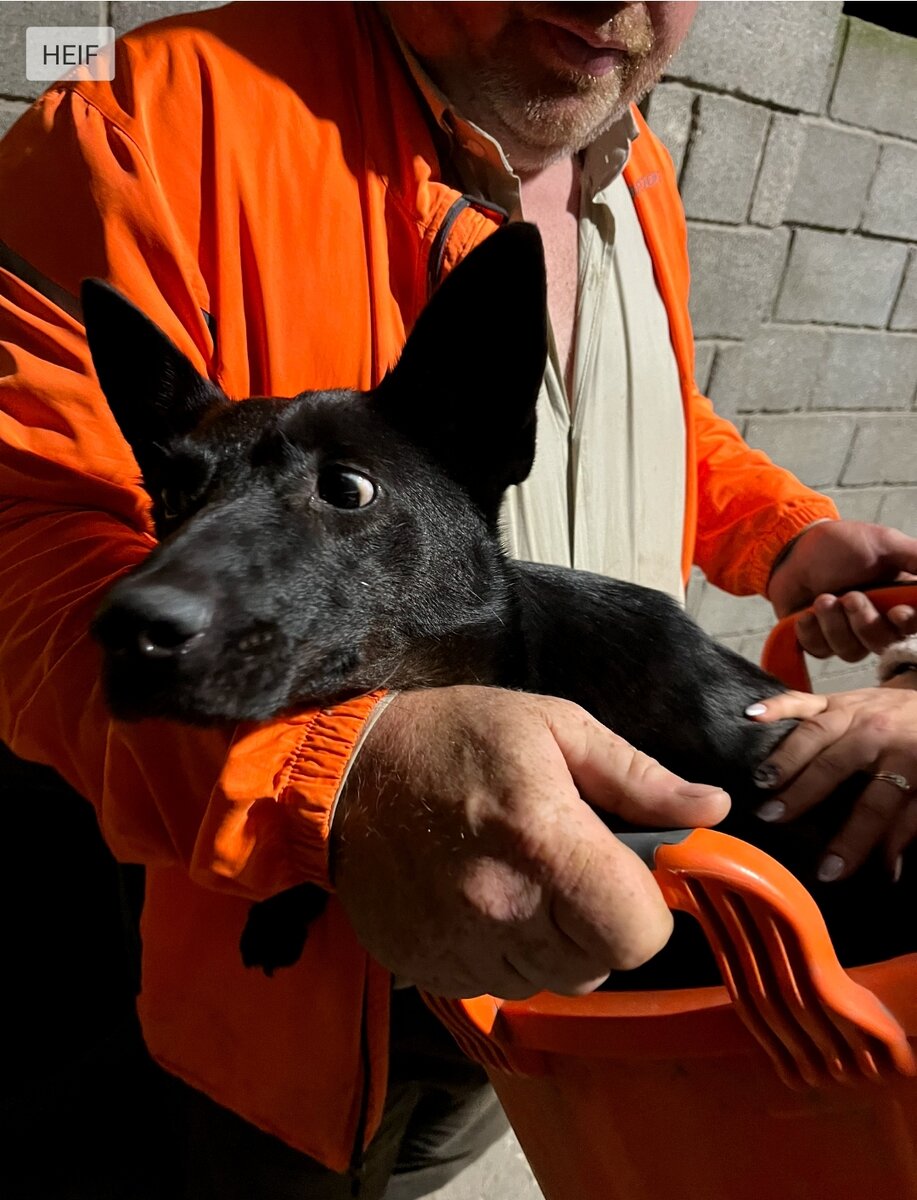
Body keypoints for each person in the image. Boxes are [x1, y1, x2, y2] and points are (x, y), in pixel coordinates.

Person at [0, 3, 915, 1196]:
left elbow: (639, 413)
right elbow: (23, 546)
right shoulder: (140, 121)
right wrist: (344, 778)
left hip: (557, 973)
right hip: (299, 997)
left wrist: (781, 536)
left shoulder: (624, 164)